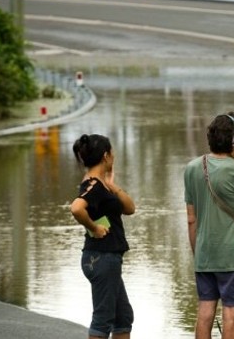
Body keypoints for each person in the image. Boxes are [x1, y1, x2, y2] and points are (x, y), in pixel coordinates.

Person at [184, 112, 234, 339]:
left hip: (204, 253)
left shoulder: (191, 168)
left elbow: (191, 219)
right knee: (231, 315)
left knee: (205, 312)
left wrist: (198, 254)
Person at [70, 134, 136, 339]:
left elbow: (130, 208)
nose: (114, 156)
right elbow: (76, 208)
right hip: (101, 258)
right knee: (103, 319)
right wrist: (95, 228)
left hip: (107, 258)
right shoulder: (93, 186)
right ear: (106, 156)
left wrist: (112, 185)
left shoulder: (101, 185)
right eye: (112, 152)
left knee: (123, 317)